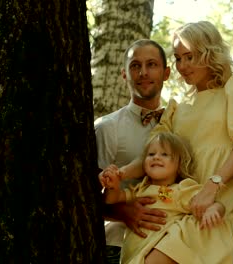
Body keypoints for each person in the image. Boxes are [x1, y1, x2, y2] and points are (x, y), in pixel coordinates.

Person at [109, 21, 233, 263]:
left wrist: (211, 188)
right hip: (170, 208)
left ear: (209, 52)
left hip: (209, 210)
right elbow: (150, 155)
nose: (182, 66)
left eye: (189, 57)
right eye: (178, 58)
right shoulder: (176, 109)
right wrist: (119, 173)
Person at [94, 39, 171, 264]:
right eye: (135, 66)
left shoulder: (179, 123)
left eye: (152, 65)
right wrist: (124, 213)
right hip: (119, 245)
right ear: (124, 74)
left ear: (166, 73)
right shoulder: (107, 127)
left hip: (170, 246)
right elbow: (85, 195)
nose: (143, 72)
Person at [100, 132, 225, 264]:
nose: (156, 157)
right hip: (135, 252)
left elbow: (212, 203)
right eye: (151, 154)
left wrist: (214, 210)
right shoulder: (140, 189)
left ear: (179, 163)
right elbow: (112, 199)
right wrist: (112, 184)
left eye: (165, 154)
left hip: (158, 251)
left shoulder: (182, 189)